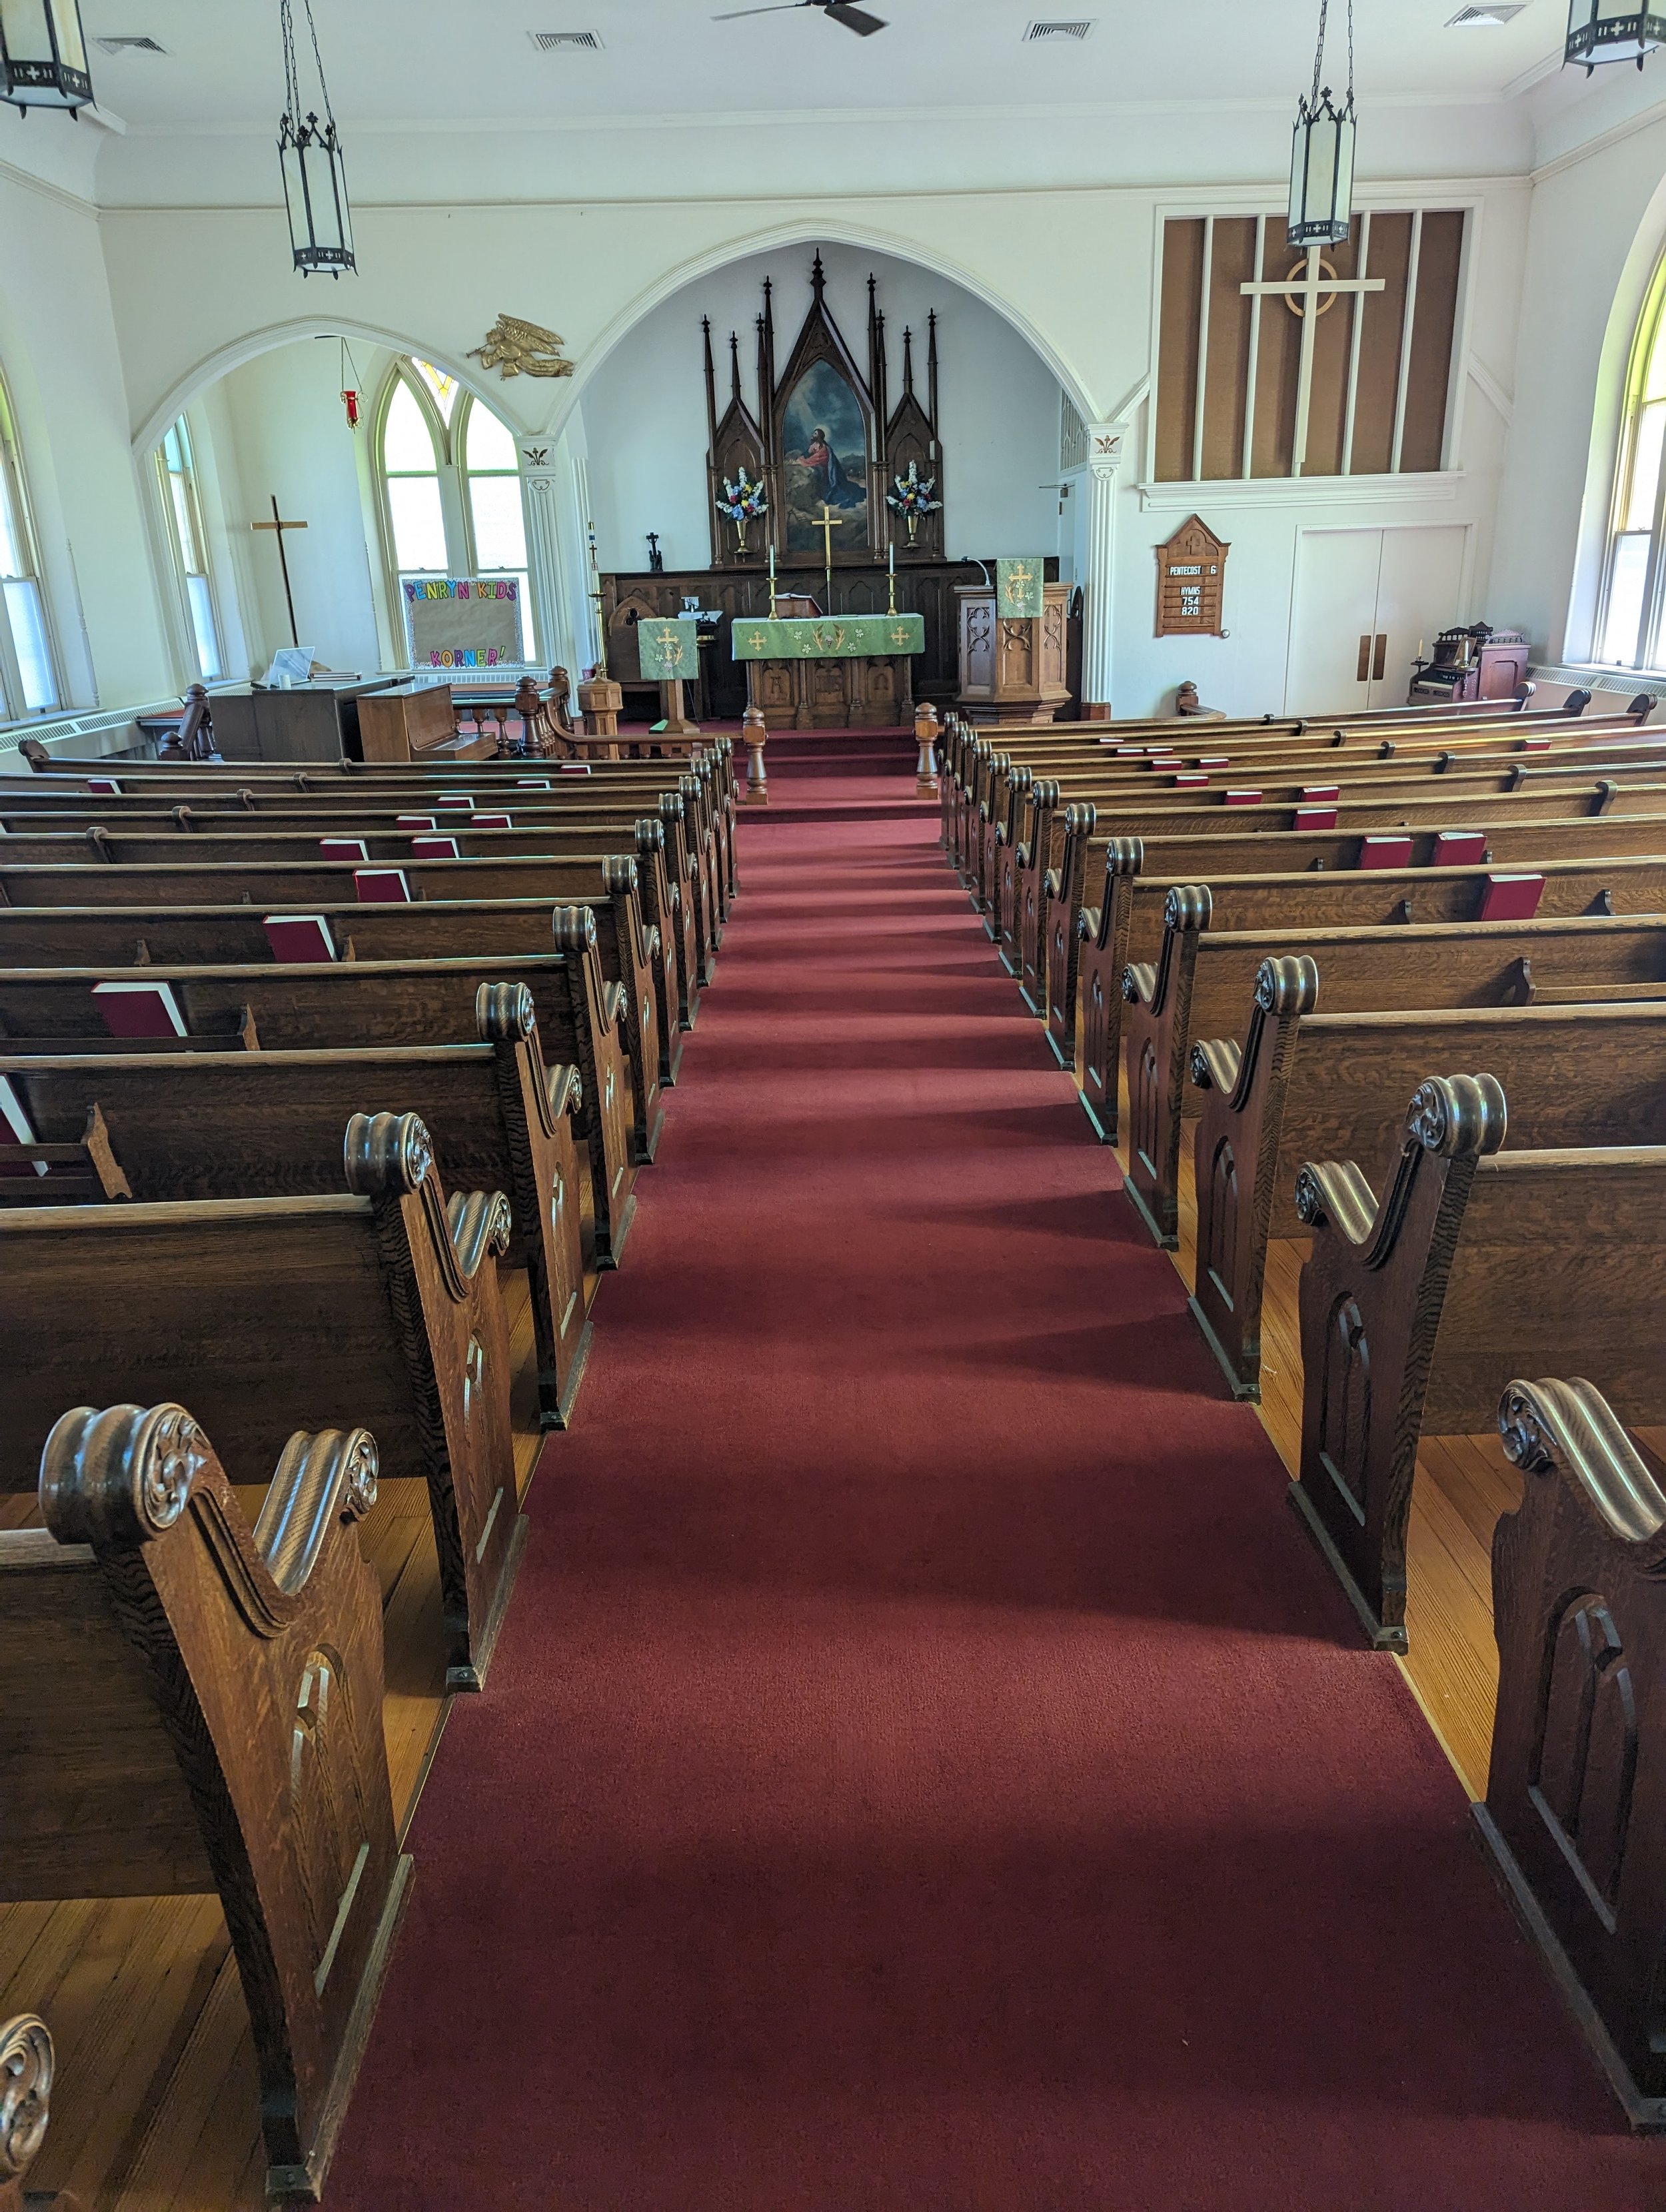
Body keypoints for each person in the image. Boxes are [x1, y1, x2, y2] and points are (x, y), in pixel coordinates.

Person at [793, 425, 866, 509]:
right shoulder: (814, 445)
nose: (813, 434)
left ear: (819, 436)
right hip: (819, 469)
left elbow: (815, 459)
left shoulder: (824, 448)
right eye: (814, 433)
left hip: (827, 471)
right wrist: (800, 458)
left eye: (815, 433)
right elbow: (807, 454)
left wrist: (801, 461)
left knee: (835, 492)